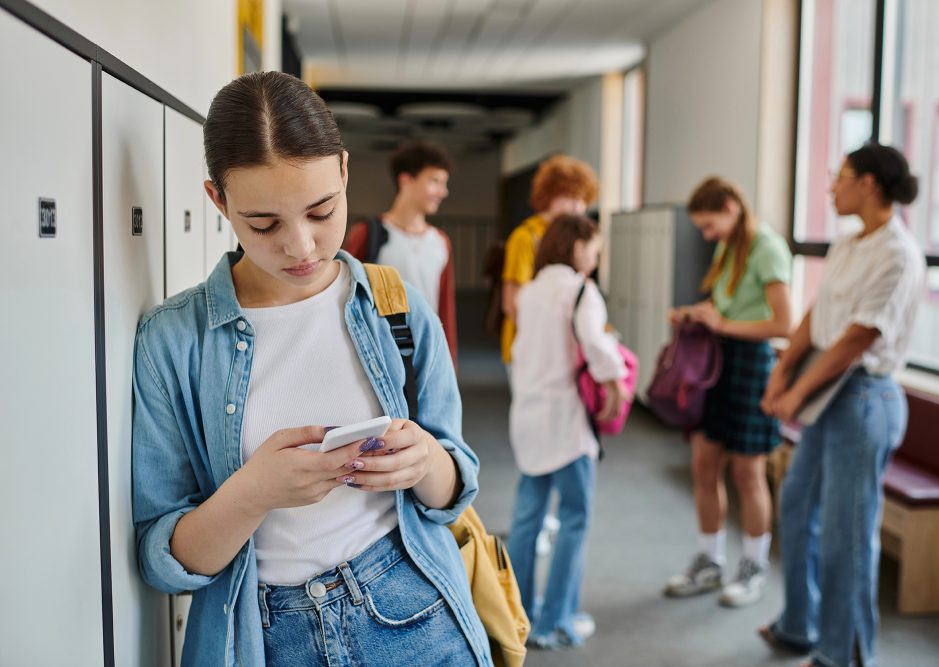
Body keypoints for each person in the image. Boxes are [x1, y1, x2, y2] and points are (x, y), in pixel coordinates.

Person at [131, 72, 489, 667]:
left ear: (345, 173)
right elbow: (162, 558)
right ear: (218, 201)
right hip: (266, 636)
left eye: (322, 211)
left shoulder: (394, 303)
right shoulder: (172, 340)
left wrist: (424, 459)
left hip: (413, 611)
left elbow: (455, 487)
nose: (301, 246)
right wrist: (253, 494)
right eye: (264, 224)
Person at [758, 143, 923, 667]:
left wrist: (794, 395)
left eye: (840, 177)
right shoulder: (848, 244)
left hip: (864, 398)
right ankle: (798, 626)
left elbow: (854, 341)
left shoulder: (898, 254)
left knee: (845, 536)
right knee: (796, 504)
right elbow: (817, 313)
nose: (831, 187)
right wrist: (781, 371)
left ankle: (842, 654)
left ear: (869, 185)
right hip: (825, 392)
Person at [663, 177, 793, 607]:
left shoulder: (767, 248)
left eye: (709, 225)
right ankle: (709, 560)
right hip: (717, 362)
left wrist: (722, 324)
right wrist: (697, 317)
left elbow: (783, 324)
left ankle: (754, 566)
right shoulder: (729, 247)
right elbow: (728, 309)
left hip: (752, 365)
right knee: (704, 465)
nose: (706, 235)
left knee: (748, 473)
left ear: (732, 207)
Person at [505, 214, 629, 650]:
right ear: (576, 247)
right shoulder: (580, 290)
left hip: (529, 419)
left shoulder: (532, 291)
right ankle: (557, 621)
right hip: (567, 423)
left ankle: (518, 616)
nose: (594, 259)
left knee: (526, 522)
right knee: (575, 517)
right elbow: (595, 343)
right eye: (593, 249)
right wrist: (614, 380)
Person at [342, 140, 458, 365]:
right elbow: (346, 293)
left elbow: (445, 307)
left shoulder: (441, 242)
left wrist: (449, 359)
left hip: (425, 350)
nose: (443, 192)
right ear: (406, 180)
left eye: (444, 183)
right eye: (435, 181)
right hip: (378, 350)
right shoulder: (367, 233)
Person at [500, 154, 599, 367]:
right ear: (549, 196)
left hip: (562, 346)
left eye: (582, 200)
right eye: (570, 197)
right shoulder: (525, 237)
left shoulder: (574, 238)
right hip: (529, 344)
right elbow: (512, 303)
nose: (577, 207)